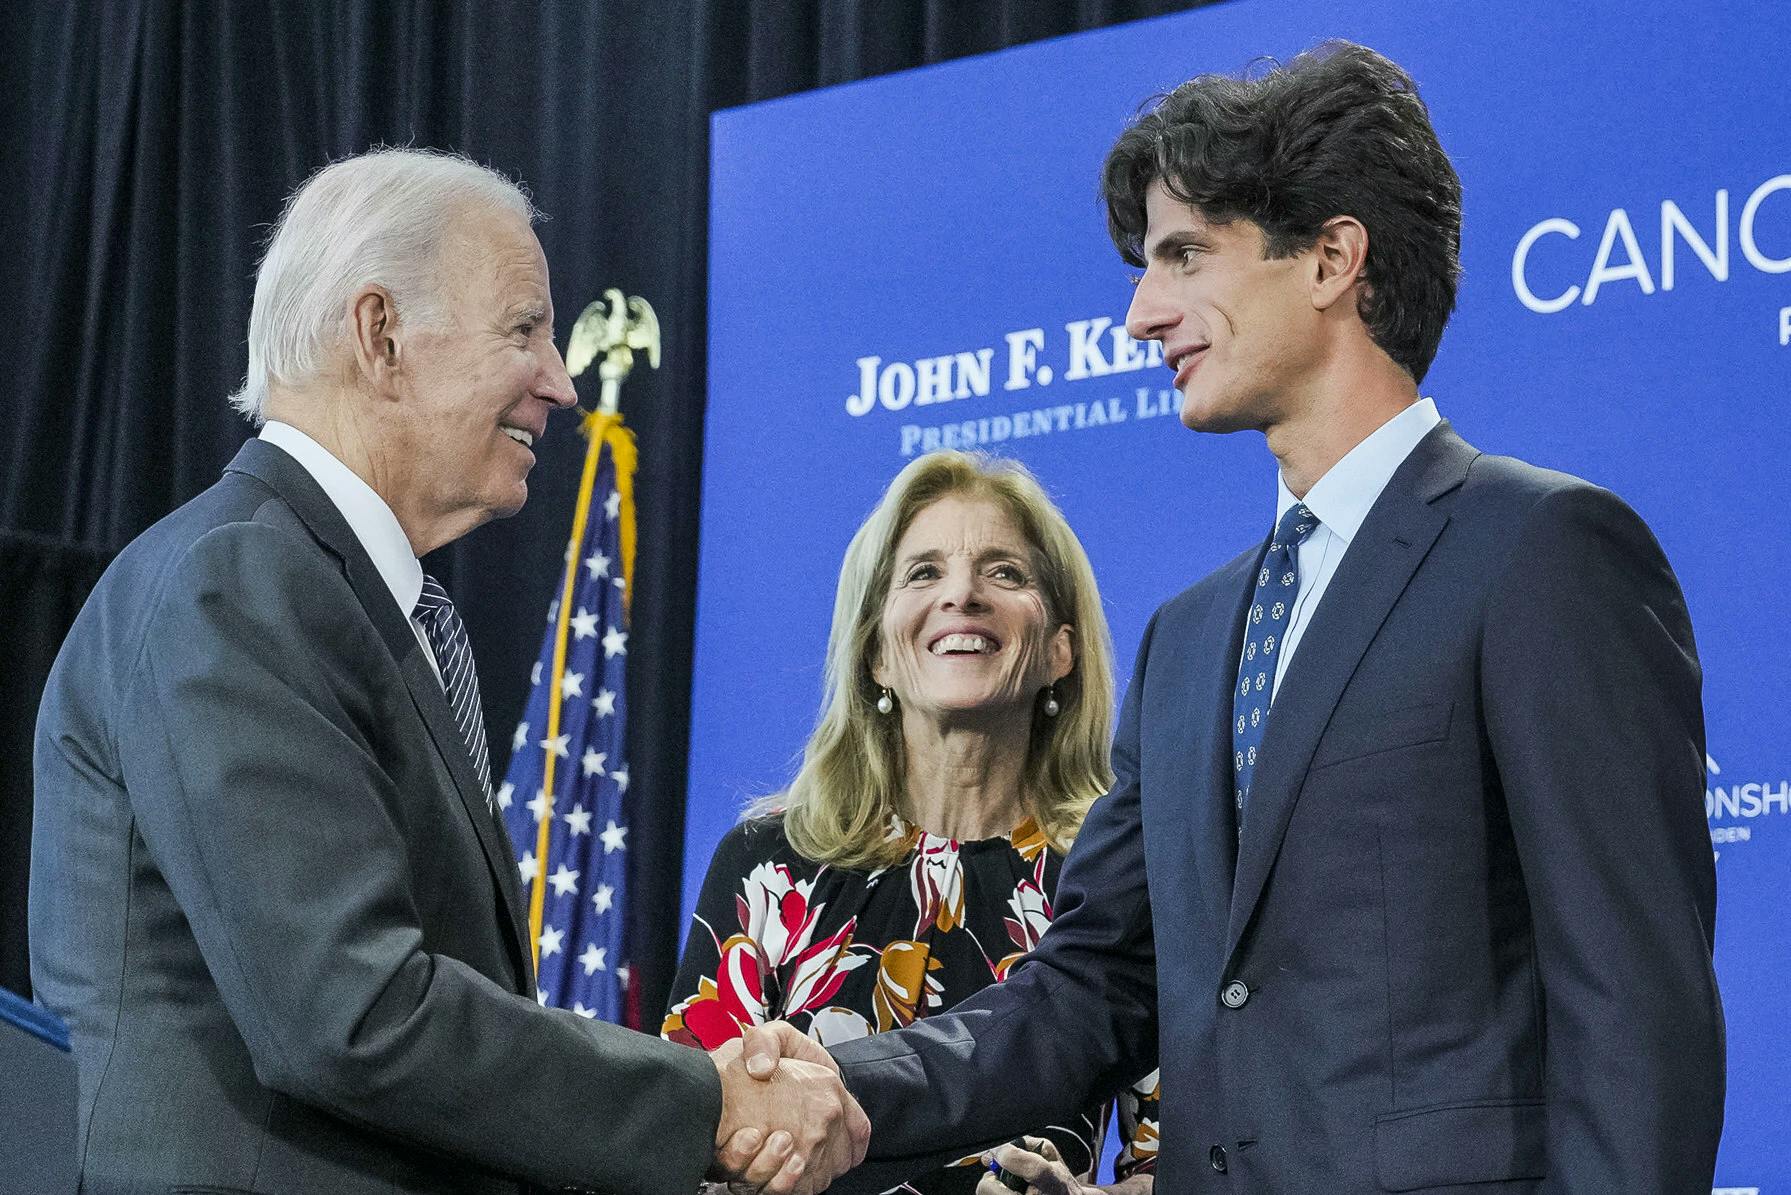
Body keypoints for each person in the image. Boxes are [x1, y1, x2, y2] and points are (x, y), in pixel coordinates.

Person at [761, 42, 1725, 1193]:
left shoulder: (1541, 552)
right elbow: (1091, 988)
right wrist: (845, 1081)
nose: (1139, 314)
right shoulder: (1188, 640)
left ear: (1331, 258)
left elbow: (1635, 1010)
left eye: (1182, 256)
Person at [29, 147, 864, 1195]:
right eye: (524, 328)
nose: (560, 380)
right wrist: (709, 1098)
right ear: (381, 337)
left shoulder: (344, 595)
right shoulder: (239, 580)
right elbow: (352, 1013)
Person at [666, 451, 1159, 1195]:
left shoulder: (1121, 871)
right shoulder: (767, 862)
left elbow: (1195, 1156)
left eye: (1004, 573)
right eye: (922, 573)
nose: (962, 594)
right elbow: (683, 1136)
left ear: (1061, 649)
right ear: (874, 653)